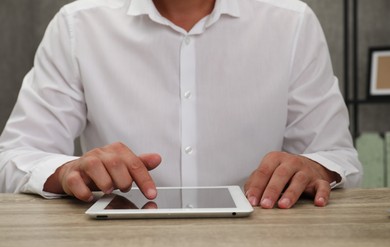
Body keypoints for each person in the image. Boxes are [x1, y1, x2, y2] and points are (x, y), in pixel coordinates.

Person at [0, 0, 362, 209]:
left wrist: (315, 166)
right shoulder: (78, 25)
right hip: (116, 246)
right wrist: (66, 171)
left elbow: (337, 155)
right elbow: (14, 156)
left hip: (264, 239)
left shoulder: (292, 22)